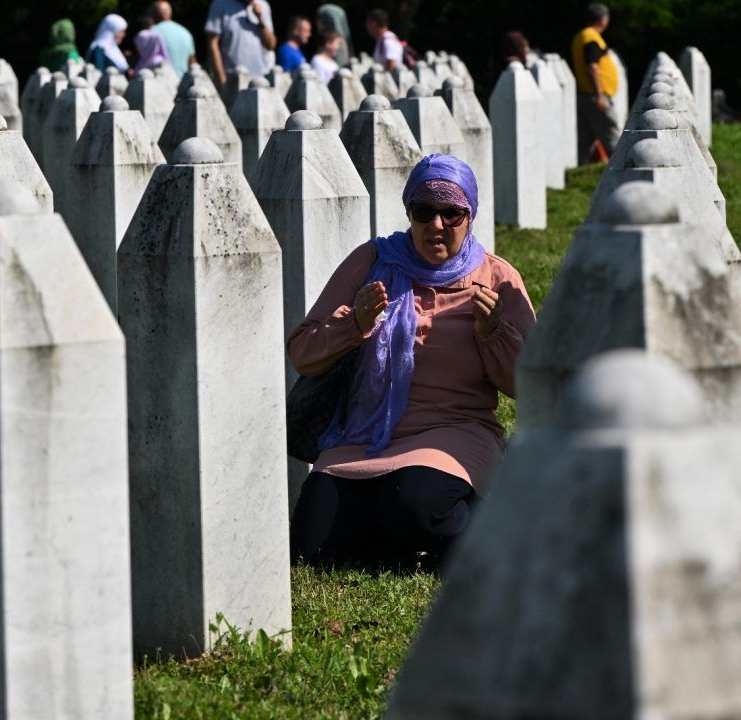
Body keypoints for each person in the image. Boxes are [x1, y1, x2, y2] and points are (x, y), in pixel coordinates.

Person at [287, 154, 536, 567]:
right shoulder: (372, 262)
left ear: (469, 217)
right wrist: (355, 325)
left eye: (451, 214)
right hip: (365, 435)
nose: (436, 225)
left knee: (415, 507)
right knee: (312, 548)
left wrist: (493, 334)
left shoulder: (498, 278)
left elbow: (527, 384)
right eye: (424, 212)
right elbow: (302, 354)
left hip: (455, 429)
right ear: (409, 213)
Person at [571, 3, 621, 161]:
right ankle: (621, 173)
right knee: (612, 135)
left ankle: (580, 175)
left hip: (585, 95)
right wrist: (600, 94)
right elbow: (592, 65)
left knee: (585, 141)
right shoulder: (591, 37)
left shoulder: (581, 36)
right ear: (602, 19)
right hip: (596, 96)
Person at [205, 0, 276, 87]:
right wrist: (221, 79)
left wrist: (260, 20)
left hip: (260, 77)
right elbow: (213, 44)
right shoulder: (220, 4)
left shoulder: (263, 5)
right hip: (232, 79)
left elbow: (271, 45)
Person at [151, 1, 196, 76]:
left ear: (154, 14)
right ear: (170, 13)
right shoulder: (185, 32)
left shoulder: (151, 33)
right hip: (182, 82)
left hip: (160, 82)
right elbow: (192, 62)